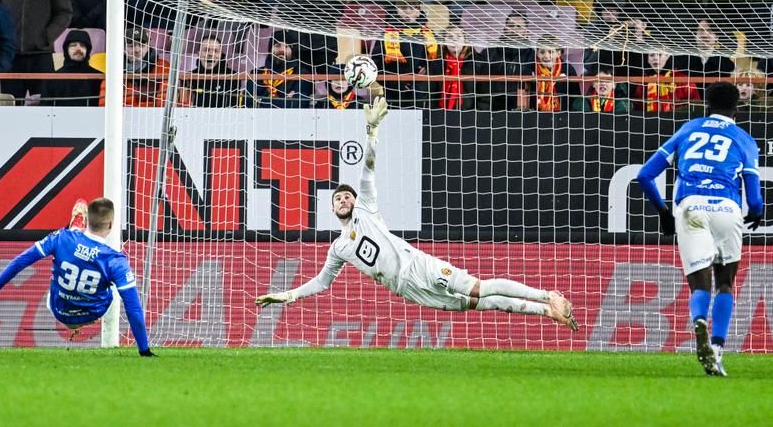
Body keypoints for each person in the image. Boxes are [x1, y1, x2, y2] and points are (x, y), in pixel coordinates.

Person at [255, 96, 579, 332]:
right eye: (337, 198)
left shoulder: (366, 209)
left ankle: (547, 295)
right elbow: (322, 283)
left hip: (418, 265)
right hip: (407, 289)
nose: (342, 199)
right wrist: (287, 296)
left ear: (354, 202)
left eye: (346, 196)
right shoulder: (338, 247)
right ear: (331, 207)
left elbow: (367, 167)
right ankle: (546, 312)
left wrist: (372, 131)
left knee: (477, 288)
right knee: (478, 303)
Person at [637, 82, 763, 376]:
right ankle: (717, 349)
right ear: (737, 107)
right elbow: (755, 198)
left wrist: (664, 213)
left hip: (691, 205)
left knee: (699, 283)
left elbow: (645, 175)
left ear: (707, 103)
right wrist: (755, 212)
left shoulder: (689, 128)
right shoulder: (744, 139)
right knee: (726, 282)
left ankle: (698, 320)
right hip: (727, 208)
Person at [0, 198, 155, 356]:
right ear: (111, 225)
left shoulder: (59, 237)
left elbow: (21, 261)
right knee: (114, 290)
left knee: (59, 264)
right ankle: (78, 236)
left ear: (88, 221)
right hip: (93, 313)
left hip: (58, 309)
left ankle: (76, 231)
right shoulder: (116, 260)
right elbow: (133, 309)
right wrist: (144, 350)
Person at [40, 29, 102, 106]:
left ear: (88, 50)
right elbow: (45, 110)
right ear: (66, 50)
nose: (78, 48)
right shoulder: (52, 79)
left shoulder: (99, 77)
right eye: (73, 45)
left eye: (82, 45)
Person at [184, 34, 240, 107]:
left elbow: (234, 107)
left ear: (220, 54)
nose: (211, 54)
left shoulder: (232, 76)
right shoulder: (189, 77)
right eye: (206, 50)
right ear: (199, 53)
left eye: (216, 51)